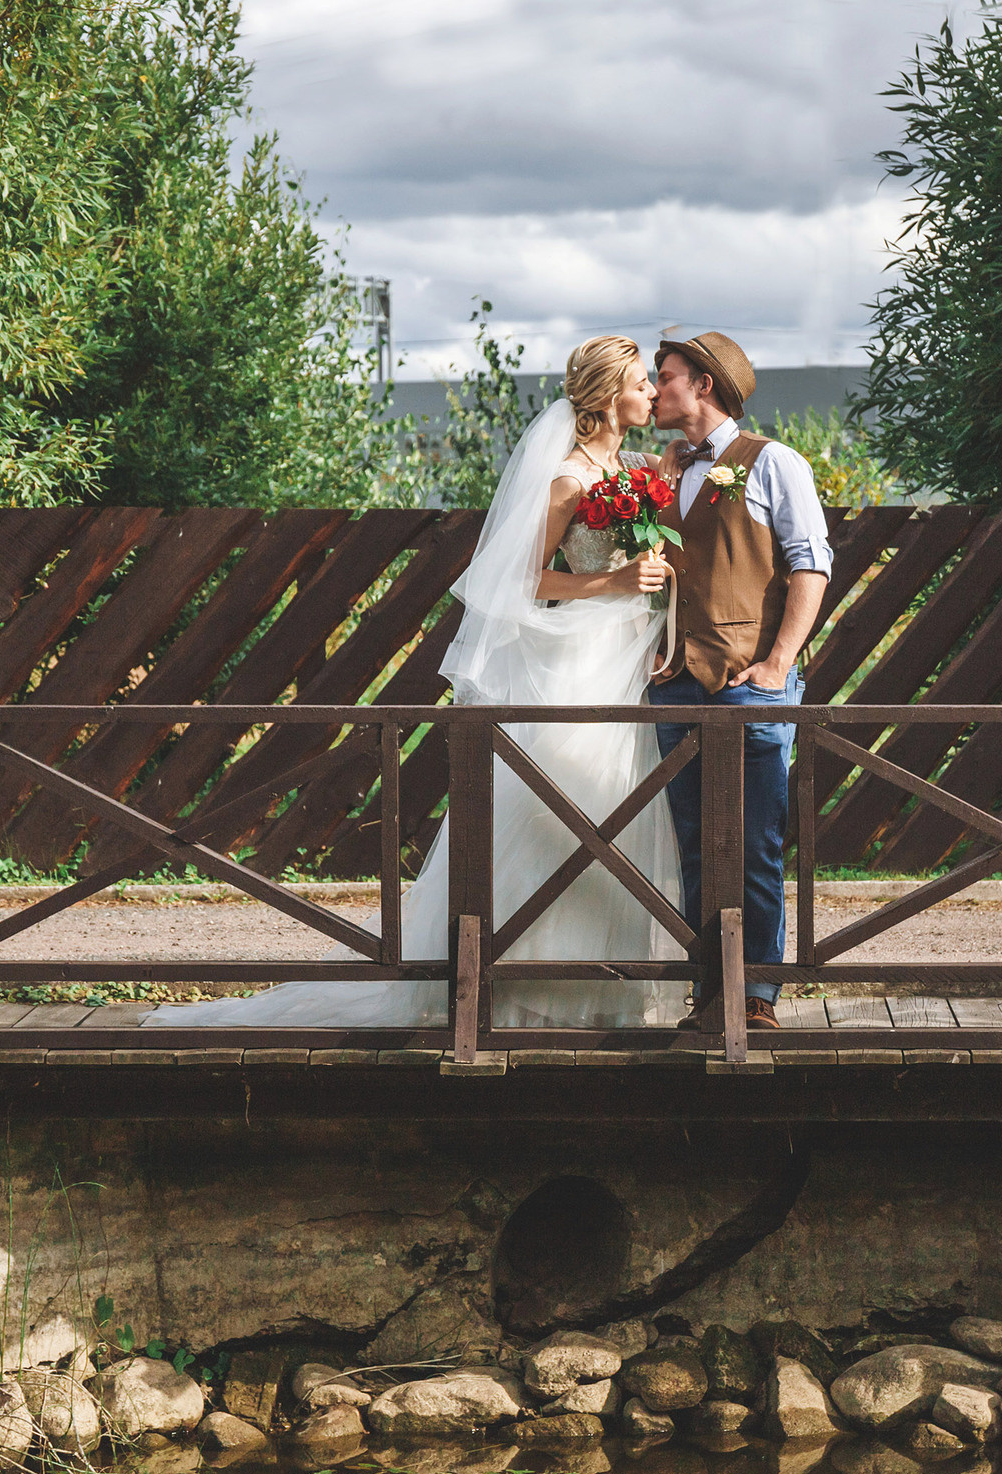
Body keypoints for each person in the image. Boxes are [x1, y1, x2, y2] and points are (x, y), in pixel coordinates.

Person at [143, 336, 682, 1031]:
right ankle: (518, 989)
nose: (651, 394)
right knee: (550, 811)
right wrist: (610, 581)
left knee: (614, 810)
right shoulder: (569, 479)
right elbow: (520, 579)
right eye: (642, 383)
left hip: (623, 658)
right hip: (570, 658)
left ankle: (596, 993)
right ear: (611, 395)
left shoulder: (636, 469)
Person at [645, 330, 832, 1034]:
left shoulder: (775, 462)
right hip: (675, 683)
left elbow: (810, 565)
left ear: (705, 386)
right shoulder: (664, 471)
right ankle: (708, 991)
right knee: (693, 843)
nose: (654, 387)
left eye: (664, 376)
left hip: (751, 682)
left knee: (756, 840)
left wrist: (780, 662)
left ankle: (756, 995)